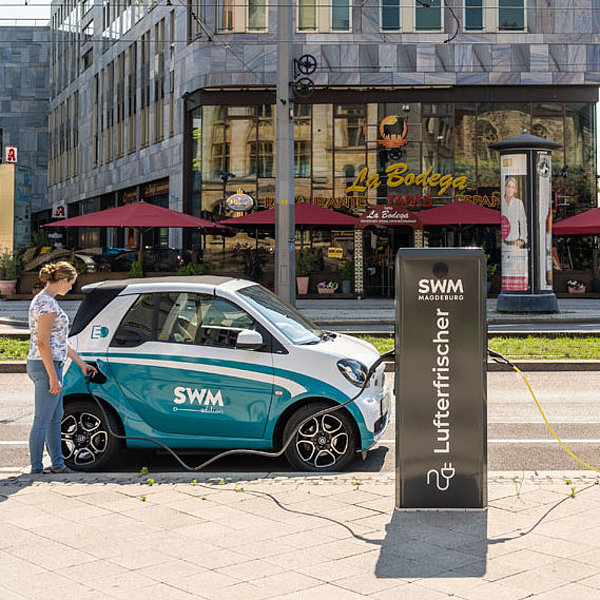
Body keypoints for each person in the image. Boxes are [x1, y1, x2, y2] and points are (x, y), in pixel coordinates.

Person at [27, 261, 96, 474]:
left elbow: (59, 340)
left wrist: (80, 363)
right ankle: (37, 468)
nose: (71, 288)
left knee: (56, 417)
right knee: (42, 419)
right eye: (71, 284)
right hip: (45, 365)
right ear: (63, 280)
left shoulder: (47, 301)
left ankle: (58, 464)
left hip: (49, 363)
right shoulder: (47, 304)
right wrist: (52, 376)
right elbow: (43, 342)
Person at [501, 175, 528, 291]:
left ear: (515, 190)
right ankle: (508, 289)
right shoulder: (501, 202)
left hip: (515, 242)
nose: (510, 189)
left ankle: (519, 288)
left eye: (513, 187)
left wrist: (522, 239)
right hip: (504, 242)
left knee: (517, 268)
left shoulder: (518, 203)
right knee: (507, 268)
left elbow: (523, 221)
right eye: (508, 186)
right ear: (505, 187)